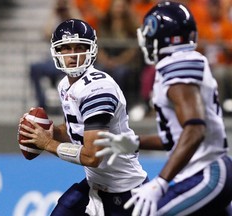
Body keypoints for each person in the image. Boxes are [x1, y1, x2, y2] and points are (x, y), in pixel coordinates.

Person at [94, 1, 232, 216]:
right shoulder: (179, 63)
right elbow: (180, 138)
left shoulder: (177, 66)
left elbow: (195, 130)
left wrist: (161, 182)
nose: (147, 40)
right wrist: (136, 142)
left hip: (206, 172)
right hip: (200, 171)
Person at [18, 19, 148, 216]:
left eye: (80, 47)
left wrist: (47, 144)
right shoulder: (65, 85)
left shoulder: (98, 89)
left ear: (92, 50)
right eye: (67, 48)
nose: (74, 55)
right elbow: (76, 131)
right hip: (94, 186)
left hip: (126, 192)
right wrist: (48, 131)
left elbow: (92, 156)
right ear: (57, 52)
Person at [29, 0, 82, 110]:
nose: (63, 11)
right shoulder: (57, 24)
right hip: (54, 62)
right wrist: (54, 12)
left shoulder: (74, 25)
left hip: (73, 63)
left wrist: (71, 9)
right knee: (35, 68)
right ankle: (41, 103)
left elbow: (85, 30)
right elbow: (46, 33)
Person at [95, 0, 140, 109]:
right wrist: (105, 60)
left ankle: (120, 104)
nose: (118, 9)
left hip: (125, 62)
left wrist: (118, 61)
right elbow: (98, 45)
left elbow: (133, 49)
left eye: (121, 7)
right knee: (99, 72)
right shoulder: (104, 24)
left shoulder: (131, 25)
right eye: (116, 6)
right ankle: (100, 103)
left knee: (120, 73)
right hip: (106, 59)